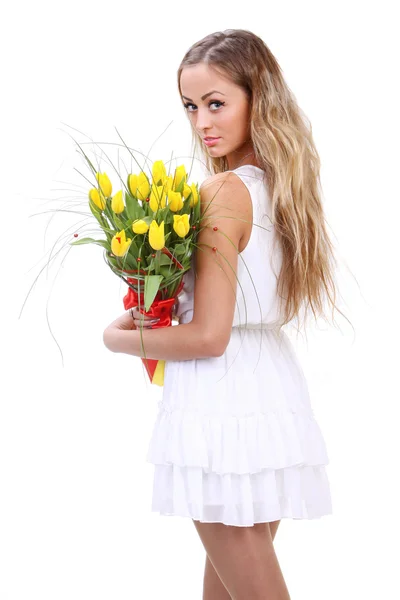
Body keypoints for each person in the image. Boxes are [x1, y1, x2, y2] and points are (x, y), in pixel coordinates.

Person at [103, 28, 342, 600]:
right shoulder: (284, 189)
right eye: (190, 106)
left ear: (257, 99)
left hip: (221, 403)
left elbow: (209, 336)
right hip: (271, 396)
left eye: (217, 103)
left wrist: (118, 337)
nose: (202, 122)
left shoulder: (223, 192)